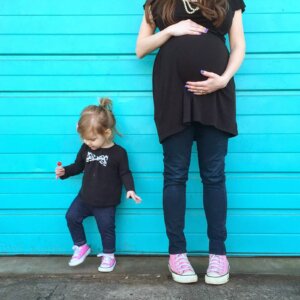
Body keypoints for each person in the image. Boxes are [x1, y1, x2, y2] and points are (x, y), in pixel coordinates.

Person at [136, 0, 246, 285]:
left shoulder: (228, 2)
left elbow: (238, 46)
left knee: (214, 176)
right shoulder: (158, 3)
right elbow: (141, 49)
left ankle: (218, 253)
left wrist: (223, 80)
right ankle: (176, 253)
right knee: (175, 175)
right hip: (172, 92)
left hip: (216, 92)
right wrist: (171, 30)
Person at [55, 98, 141, 272]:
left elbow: (125, 173)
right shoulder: (86, 149)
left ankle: (109, 255)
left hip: (106, 202)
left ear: (107, 133)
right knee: (71, 217)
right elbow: (78, 166)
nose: (88, 143)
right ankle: (81, 246)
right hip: (85, 198)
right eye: (85, 139)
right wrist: (65, 172)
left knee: (106, 229)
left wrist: (130, 189)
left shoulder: (119, 153)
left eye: (92, 139)